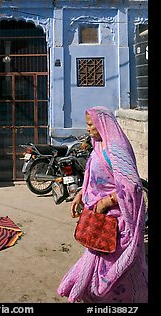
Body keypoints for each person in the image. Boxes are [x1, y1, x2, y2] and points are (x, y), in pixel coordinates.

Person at [57, 106, 148, 303]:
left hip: (116, 222)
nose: (88, 128)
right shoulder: (99, 146)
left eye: (91, 125)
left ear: (102, 125)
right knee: (96, 263)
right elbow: (95, 176)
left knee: (117, 269)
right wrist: (81, 193)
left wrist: (106, 202)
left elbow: (132, 185)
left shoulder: (116, 150)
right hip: (100, 221)